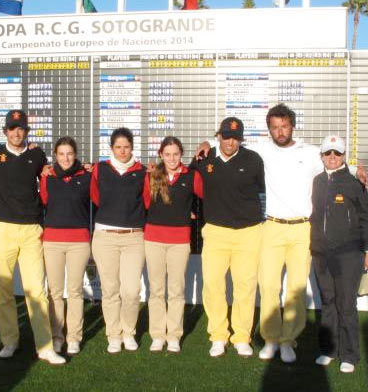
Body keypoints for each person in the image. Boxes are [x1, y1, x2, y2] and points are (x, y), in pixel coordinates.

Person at [194, 104, 367, 362]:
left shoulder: (309, 152)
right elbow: (229, 142)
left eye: (284, 125)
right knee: (268, 286)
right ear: (269, 130)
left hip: (301, 229)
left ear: (292, 126)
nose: (280, 131)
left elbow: (333, 163)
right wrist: (208, 141)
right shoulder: (260, 150)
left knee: (295, 289)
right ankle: (271, 339)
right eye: (275, 127)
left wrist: (355, 170)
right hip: (271, 227)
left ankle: (288, 340)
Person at [0, 110, 65, 365]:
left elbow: (51, 175)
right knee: (4, 290)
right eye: (13, 128)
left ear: (27, 131)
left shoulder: (37, 155)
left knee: (37, 290)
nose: (17, 133)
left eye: (21, 128)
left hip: (31, 230)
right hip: (3, 228)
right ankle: (9, 341)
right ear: (5, 131)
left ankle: (45, 347)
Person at [190, 117, 265, 358]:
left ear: (241, 139)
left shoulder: (253, 160)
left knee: (245, 286)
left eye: (235, 137)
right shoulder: (205, 158)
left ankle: (242, 336)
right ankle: (219, 335)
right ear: (218, 136)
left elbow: (265, 190)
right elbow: (184, 179)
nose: (230, 141)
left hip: (249, 232)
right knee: (213, 285)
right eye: (225, 136)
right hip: (215, 231)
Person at [310, 135, 368, 374]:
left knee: (346, 304)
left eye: (336, 153)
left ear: (344, 156)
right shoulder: (317, 181)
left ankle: (349, 354)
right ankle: (328, 350)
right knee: (328, 301)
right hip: (321, 253)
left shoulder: (354, 182)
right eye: (328, 153)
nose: (332, 157)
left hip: (349, 254)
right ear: (322, 156)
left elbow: (366, 218)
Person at [143, 136, 203, 353]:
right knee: (156, 290)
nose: (171, 158)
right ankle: (158, 335)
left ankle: (174, 335)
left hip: (179, 241)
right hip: (153, 239)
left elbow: (208, 196)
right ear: (160, 155)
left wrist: (195, 213)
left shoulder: (192, 176)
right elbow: (145, 203)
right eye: (167, 154)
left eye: (176, 154)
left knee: (176, 290)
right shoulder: (151, 176)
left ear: (182, 154)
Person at [90, 127, 147, 354]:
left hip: (134, 238)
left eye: (126, 147)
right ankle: (114, 335)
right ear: (111, 148)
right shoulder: (99, 169)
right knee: (110, 290)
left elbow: (146, 200)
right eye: (118, 147)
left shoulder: (142, 171)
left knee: (131, 291)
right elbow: (95, 196)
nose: (122, 151)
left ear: (132, 147)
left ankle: (129, 332)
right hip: (105, 237)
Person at [39, 136, 91, 356]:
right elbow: (42, 201)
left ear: (76, 155)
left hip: (79, 241)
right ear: (55, 155)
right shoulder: (47, 177)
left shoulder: (87, 176)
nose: (66, 158)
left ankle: (74, 338)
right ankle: (57, 336)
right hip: (52, 241)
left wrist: (93, 167)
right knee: (55, 292)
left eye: (70, 153)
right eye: (61, 154)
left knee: (75, 291)